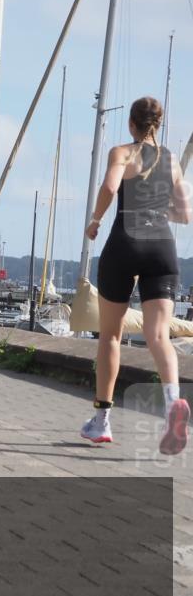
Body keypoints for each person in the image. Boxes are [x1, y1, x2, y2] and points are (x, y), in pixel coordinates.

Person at [81, 96, 190, 454]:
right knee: (159, 335)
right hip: (162, 246)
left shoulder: (122, 153)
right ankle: (173, 401)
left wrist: (95, 220)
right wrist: (158, 209)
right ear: (157, 125)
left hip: (125, 243)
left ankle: (101, 422)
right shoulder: (171, 160)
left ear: (131, 124)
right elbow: (184, 214)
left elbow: (111, 187)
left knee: (110, 336)